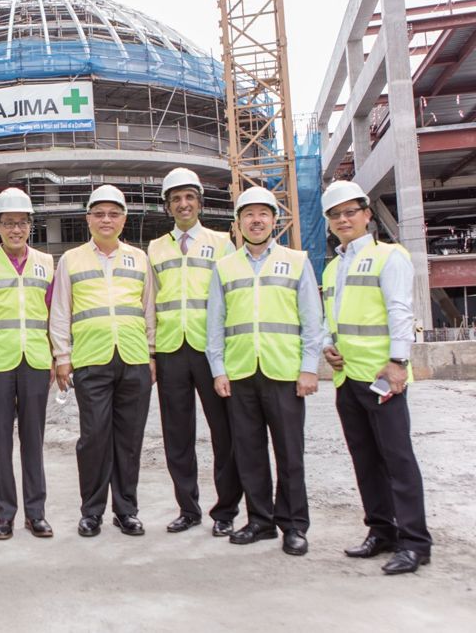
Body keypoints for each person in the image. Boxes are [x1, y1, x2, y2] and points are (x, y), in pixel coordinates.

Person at [320, 181, 432, 575]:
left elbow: (401, 309)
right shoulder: (333, 266)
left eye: (350, 211)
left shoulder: (390, 256)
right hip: (346, 377)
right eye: (335, 215)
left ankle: (415, 542)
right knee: (365, 460)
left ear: (367, 214)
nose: (343, 219)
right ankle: (381, 531)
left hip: (383, 376)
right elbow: (330, 316)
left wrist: (398, 361)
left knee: (397, 460)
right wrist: (326, 346)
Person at [206, 186, 322, 557]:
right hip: (240, 372)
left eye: (263, 214)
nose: (256, 221)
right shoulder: (225, 267)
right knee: (250, 452)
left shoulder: (297, 260)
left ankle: (293, 525)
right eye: (248, 215)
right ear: (238, 223)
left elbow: (311, 319)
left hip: (284, 372)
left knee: (290, 453)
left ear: (275, 220)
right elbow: (215, 324)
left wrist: (309, 368)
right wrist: (218, 369)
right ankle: (260, 520)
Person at [49, 184, 156, 538]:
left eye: (113, 214)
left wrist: (151, 353)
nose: (106, 220)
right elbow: (61, 310)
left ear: (123, 219)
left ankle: (126, 510)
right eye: (99, 214)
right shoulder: (71, 259)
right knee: (94, 437)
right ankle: (91, 511)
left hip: (134, 357)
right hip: (91, 360)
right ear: (88, 219)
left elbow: (149, 309)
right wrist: (62, 357)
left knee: (129, 439)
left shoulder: (139, 259)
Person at [148, 168, 242, 537]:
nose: (183, 204)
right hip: (172, 350)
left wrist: (227, 352)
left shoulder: (222, 243)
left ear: (199, 202)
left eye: (189, 197)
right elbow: (151, 303)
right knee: (177, 435)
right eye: (176, 199)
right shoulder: (156, 248)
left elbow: (233, 296)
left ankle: (226, 511)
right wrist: (153, 352)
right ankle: (188, 508)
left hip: (210, 351)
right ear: (168, 206)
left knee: (224, 433)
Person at [0, 188, 54, 540]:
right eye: (8, 223)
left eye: (21, 223)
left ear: (30, 225)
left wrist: (53, 358)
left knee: (34, 439)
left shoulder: (46, 263)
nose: (15, 229)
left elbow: (52, 315)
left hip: (34, 360)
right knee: (0, 442)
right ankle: (5, 515)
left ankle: (36, 513)